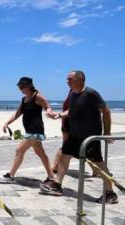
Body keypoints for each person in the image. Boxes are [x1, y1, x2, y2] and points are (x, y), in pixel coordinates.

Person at [40, 70, 118, 204]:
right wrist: (58, 115)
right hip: (74, 135)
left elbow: (106, 111)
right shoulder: (73, 94)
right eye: (67, 79)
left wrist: (107, 133)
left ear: (80, 79)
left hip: (89, 137)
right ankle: (57, 185)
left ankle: (110, 193)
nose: (67, 81)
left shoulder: (90, 93)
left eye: (69, 79)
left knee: (98, 164)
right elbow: (72, 110)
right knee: (64, 156)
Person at [0, 77, 56, 184]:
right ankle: (51, 177)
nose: (20, 89)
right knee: (41, 153)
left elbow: (47, 106)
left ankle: (10, 176)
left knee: (19, 151)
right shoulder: (24, 99)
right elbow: (18, 113)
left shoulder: (37, 97)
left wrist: (48, 112)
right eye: (19, 87)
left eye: (22, 86)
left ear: (29, 86)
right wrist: (7, 123)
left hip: (35, 130)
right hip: (30, 130)